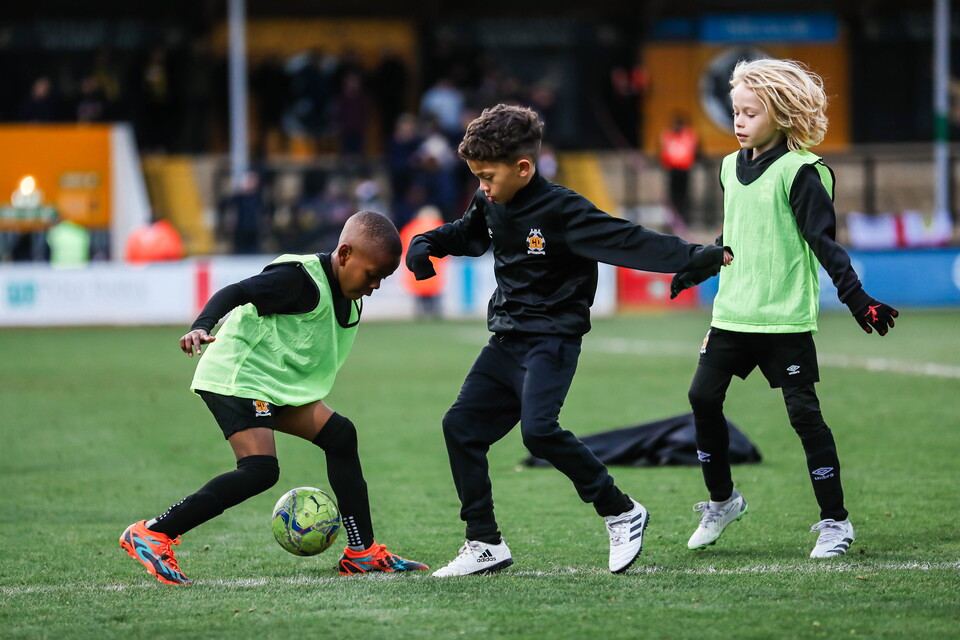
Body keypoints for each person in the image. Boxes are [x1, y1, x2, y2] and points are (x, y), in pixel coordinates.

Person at [405, 104, 732, 577]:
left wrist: (695, 256)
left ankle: (621, 511)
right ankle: (484, 543)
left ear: (523, 167)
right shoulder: (490, 202)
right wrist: (428, 243)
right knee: (460, 428)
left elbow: (628, 239)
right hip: (506, 341)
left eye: (487, 176)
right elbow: (468, 236)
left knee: (538, 431)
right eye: (476, 176)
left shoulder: (563, 210)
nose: (482, 187)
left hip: (552, 340)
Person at [120, 211, 429, 585]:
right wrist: (201, 326)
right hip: (238, 376)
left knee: (340, 435)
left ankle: (362, 553)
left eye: (384, 277)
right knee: (260, 470)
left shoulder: (349, 288)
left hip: (276, 384)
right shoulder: (298, 279)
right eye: (372, 274)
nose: (377, 284)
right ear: (345, 254)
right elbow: (237, 292)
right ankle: (154, 532)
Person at [670, 58, 899, 559]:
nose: (738, 121)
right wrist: (699, 265)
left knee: (804, 416)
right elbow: (735, 235)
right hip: (732, 313)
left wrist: (857, 300)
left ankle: (835, 522)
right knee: (702, 397)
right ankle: (723, 501)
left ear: (781, 114)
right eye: (736, 111)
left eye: (749, 113)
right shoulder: (730, 167)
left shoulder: (803, 172)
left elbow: (824, 243)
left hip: (783, 319)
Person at [659, 112, 698, 225]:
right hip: (672, 169)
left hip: (685, 169)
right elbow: (663, 150)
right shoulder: (667, 135)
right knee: (672, 195)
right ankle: (672, 218)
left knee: (684, 195)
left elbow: (695, 150)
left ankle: (684, 218)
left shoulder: (689, 135)